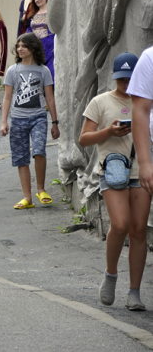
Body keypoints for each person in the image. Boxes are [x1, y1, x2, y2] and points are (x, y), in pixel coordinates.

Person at [80, 52, 148, 311]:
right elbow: (84, 138)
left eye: (130, 78)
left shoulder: (145, 102)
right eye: (121, 78)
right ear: (114, 76)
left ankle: (135, 292)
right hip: (112, 172)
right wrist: (110, 131)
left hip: (141, 171)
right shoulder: (100, 101)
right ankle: (110, 275)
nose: (126, 83)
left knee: (139, 229)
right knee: (120, 225)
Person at [0, 33, 59, 210]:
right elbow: (7, 98)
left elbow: (50, 98)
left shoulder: (44, 71)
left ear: (32, 48)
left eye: (23, 46)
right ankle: (27, 198)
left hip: (39, 117)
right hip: (18, 119)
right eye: (18, 46)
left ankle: (41, 189)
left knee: (40, 150)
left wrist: (55, 122)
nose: (20, 49)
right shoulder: (13, 70)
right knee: (21, 158)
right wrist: (4, 121)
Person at [128, 47, 153, 310]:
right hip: (149, 153)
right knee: (135, 226)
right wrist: (145, 163)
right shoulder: (150, 57)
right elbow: (141, 110)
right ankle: (132, 288)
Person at [24, 0, 55, 83]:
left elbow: (55, 30)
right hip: (36, 47)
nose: (37, 0)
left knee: (51, 73)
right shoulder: (32, 14)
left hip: (50, 46)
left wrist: (54, 45)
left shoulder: (51, 12)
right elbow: (29, 31)